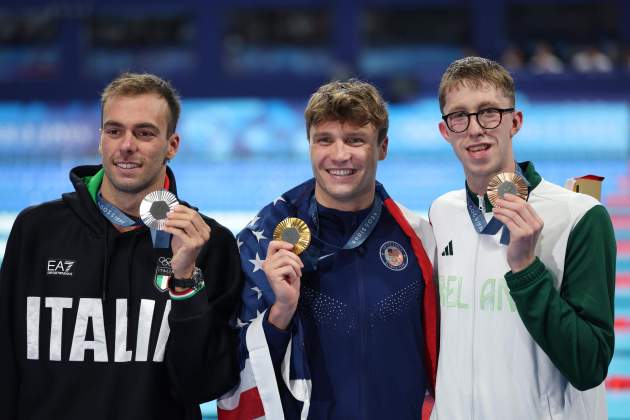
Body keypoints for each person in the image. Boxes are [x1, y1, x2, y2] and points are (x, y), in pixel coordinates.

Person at [0, 73, 242, 420]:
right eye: (114, 131)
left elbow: (202, 386)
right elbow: (6, 363)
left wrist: (185, 279)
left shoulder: (209, 243)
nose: (126, 145)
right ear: (101, 139)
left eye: (144, 133)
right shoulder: (37, 229)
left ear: (172, 145)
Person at [218, 79, 438, 419]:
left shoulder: (419, 240)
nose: (339, 155)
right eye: (325, 140)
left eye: (355, 140)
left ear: (382, 147)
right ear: (309, 145)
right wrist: (280, 313)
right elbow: (232, 371)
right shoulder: (261, 242)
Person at [430, 56, 615, 419]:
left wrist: (527, 268)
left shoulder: (580, 217)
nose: (475, 128)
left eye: (488, 112)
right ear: (445, 131)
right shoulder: (442, 212)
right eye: (459, 116)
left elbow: (590, 364)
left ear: (515, 122)